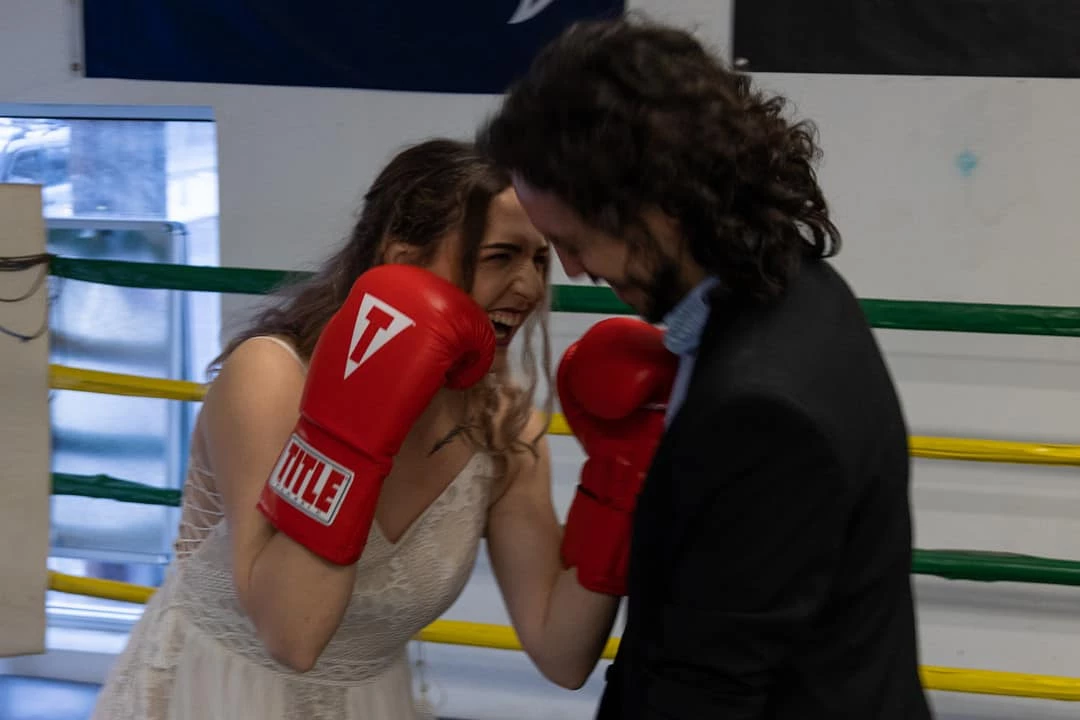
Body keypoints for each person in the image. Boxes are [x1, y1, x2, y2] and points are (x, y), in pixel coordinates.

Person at [477, 15, 934, 720]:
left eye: (572, 241)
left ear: (652, 204)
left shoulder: (761, 408)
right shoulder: (794, 288)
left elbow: (707, 688)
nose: (571, 270)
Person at [90, 138, 642, 719]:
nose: (528, 288)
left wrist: (620, 487)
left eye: (537, 260)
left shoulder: (503, 429)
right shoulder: (273, 380)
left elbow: (562, 653)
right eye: (499, 257)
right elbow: (291, 634)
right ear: (401, 264)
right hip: (214, 695)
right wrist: (363, 417)